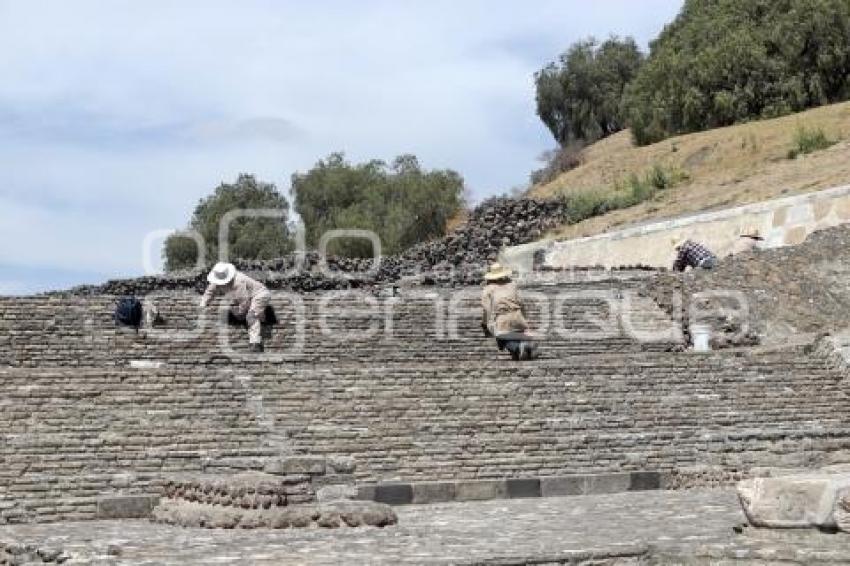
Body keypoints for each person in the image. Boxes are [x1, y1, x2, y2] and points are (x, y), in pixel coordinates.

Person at [200, 262, 271, 352]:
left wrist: (239, 312)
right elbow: (209, 292)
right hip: (247, 297)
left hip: (260, 294)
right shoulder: (217, 280)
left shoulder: (238, 281)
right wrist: (202, 305)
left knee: (251, 316)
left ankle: (255, 343)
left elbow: (244, 302)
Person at [481, 263, 537, 360]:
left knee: (500, 335)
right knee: (516, 333)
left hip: (503, 317)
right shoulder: (512, 285)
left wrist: (485, 324)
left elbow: (486, 309)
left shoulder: (488, 289)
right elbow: (521, 302)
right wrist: (525, 318)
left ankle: (517, 348)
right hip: (518, 315)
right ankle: (525, 347)